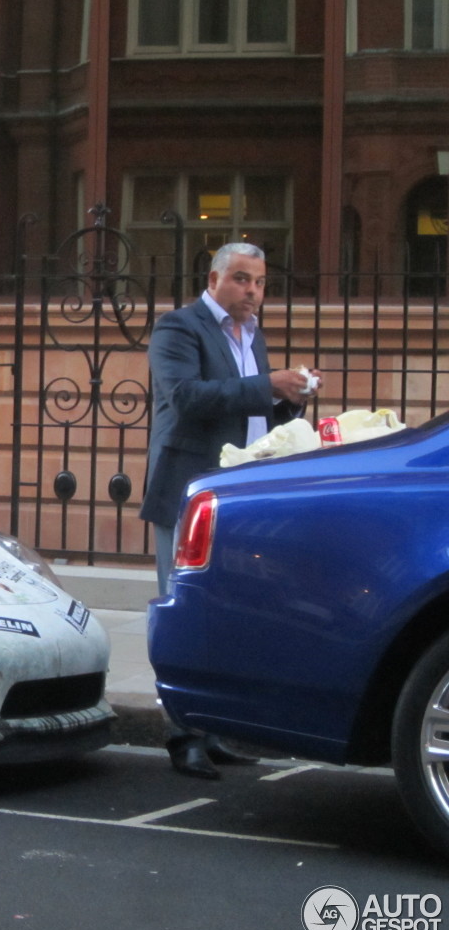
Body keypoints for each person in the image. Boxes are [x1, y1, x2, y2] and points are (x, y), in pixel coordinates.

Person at [140, 241, 323, 779]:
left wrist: (292, 397)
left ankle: (214, 729)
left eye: (261, 282)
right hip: (188, 490)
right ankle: (183, 736)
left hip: (239, 498)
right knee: (184, 611)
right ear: (215, 278)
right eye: (242, 280)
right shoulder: (179, 327)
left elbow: (250, 406)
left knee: (225, 613)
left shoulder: (252, 334)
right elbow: (189, 397)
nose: (253, 292)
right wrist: (269, 385)